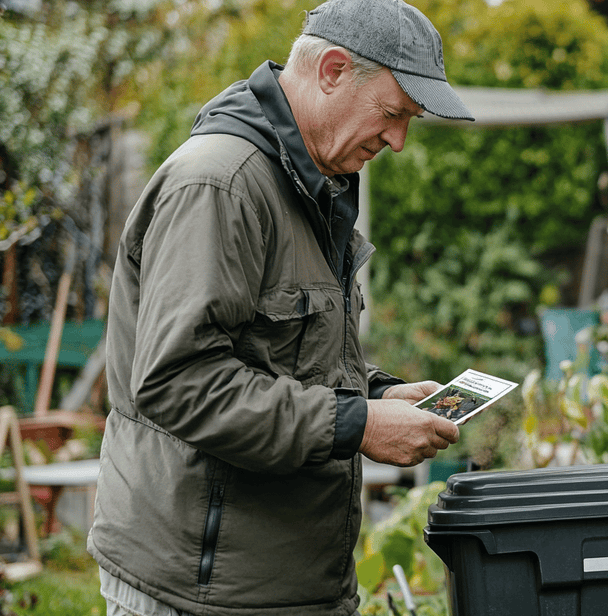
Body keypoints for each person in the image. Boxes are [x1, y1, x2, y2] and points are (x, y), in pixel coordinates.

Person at [87, 0, 474, 614]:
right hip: (198, 591)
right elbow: (178, 382)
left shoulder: (316, 184)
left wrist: (373, 395)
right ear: (332, 71)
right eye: (394, 113)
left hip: (285, 584)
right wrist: (359, 425)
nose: (399, 141)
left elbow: (281, 354)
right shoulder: (220, 184)